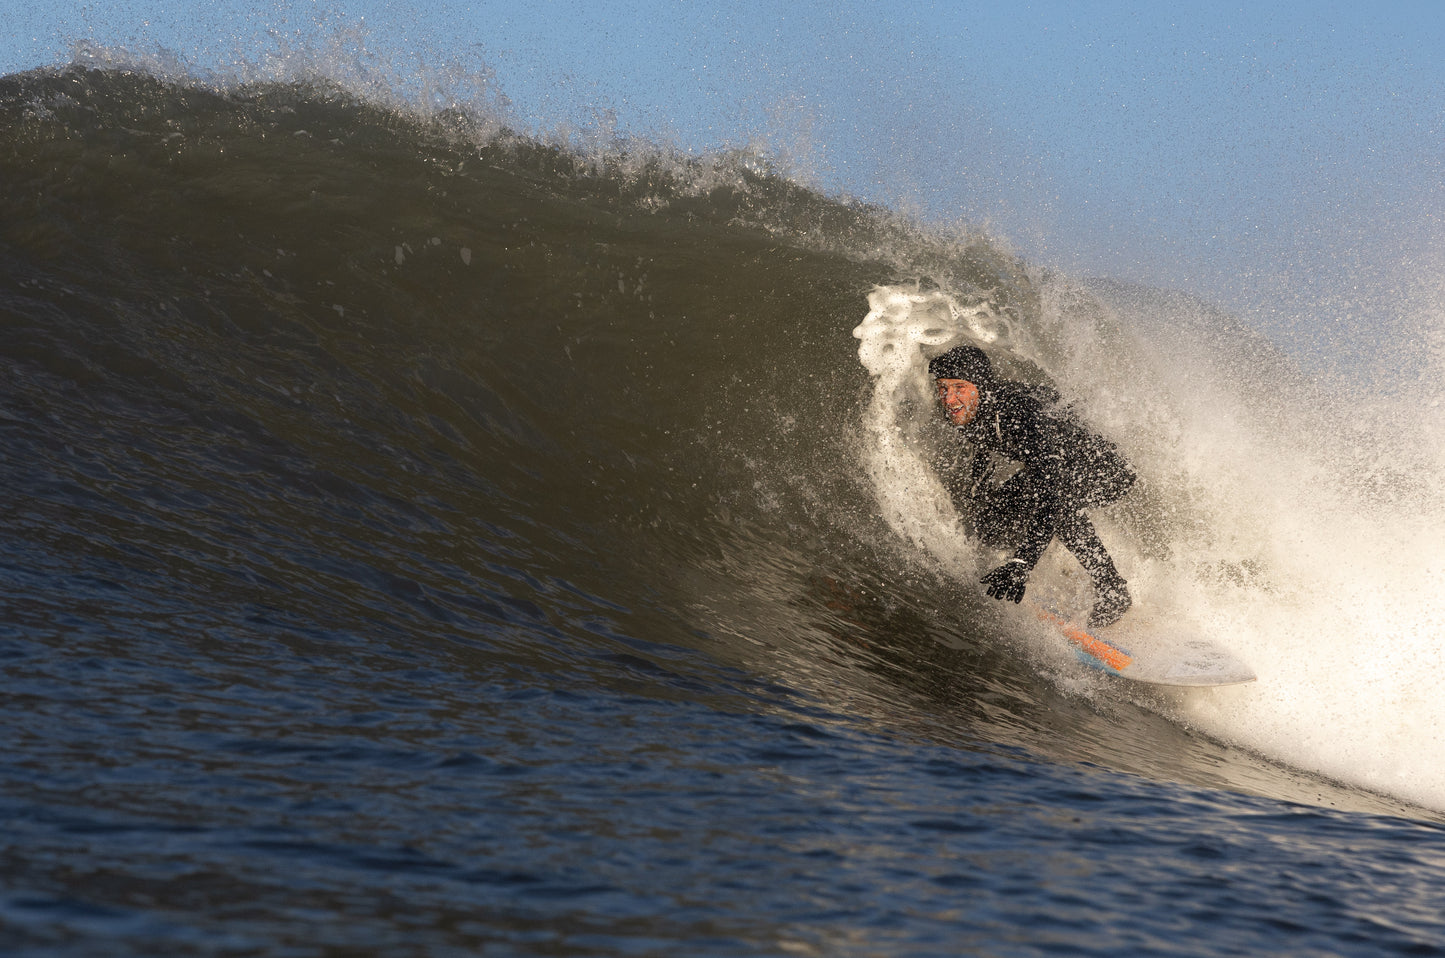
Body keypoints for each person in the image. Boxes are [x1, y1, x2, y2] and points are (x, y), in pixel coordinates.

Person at [929, 343, 1135, 628]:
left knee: (1056, 502)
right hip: (1060, 468)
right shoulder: (972, 408)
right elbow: (983, 449)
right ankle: (1039, 566)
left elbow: (1053, 489)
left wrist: (1022, 562)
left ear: (981, 386)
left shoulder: (1019, 414)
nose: (949, 399)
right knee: (990, 526)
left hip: (1106, 469)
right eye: (943, 388)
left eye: (959, 388)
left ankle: (1113, 590)